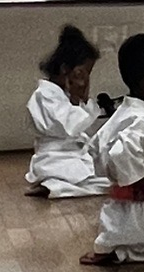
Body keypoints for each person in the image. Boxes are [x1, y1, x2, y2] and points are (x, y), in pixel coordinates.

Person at [81, 34, 144, 265]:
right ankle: (121, 251)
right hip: (143, 215)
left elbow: (97, 145)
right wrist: (138, 180)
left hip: (127, 213)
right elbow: (121, 153)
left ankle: (115, 247)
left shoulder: (127, 111)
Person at [25, 24, 107, 198]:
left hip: (72, 156)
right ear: (64, 69)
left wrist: (82, 99)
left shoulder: (64, 94)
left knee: (110, 177)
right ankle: (52, 186)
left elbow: (86, 126)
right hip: (55, 159)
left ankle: (55, 186)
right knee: (104, 185)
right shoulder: (44, 95)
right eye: (82, 73)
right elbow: (68, 127)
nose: (85, 79)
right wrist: (77, 100)